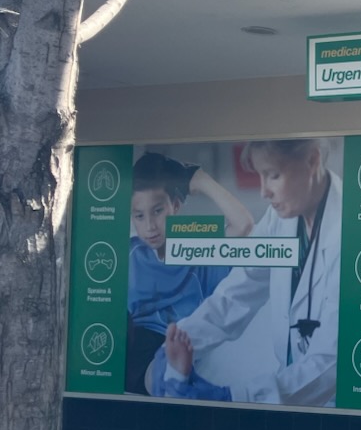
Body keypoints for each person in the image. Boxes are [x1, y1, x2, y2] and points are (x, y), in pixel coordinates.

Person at [149, 138, 342, 406]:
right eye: (260, 176)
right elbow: (236, 293)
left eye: (273, 175)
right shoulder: (280, 219)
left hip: (336, 406)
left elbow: (332, 361)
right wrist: (180, 341)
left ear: (312, 160)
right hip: (288, 394)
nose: (264, 192)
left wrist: (234, 397)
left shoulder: (349, 231)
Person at [124, 152, 253, 394]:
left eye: (158, 211)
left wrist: (200, 179)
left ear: (175, 206)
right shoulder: (130, 253)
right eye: (139, 216)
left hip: (181, 342)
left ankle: (171, 378)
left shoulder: (199, 249)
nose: (150, 226)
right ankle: (169, 379)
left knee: (171, 358)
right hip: (136, 345)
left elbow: (243, 224)